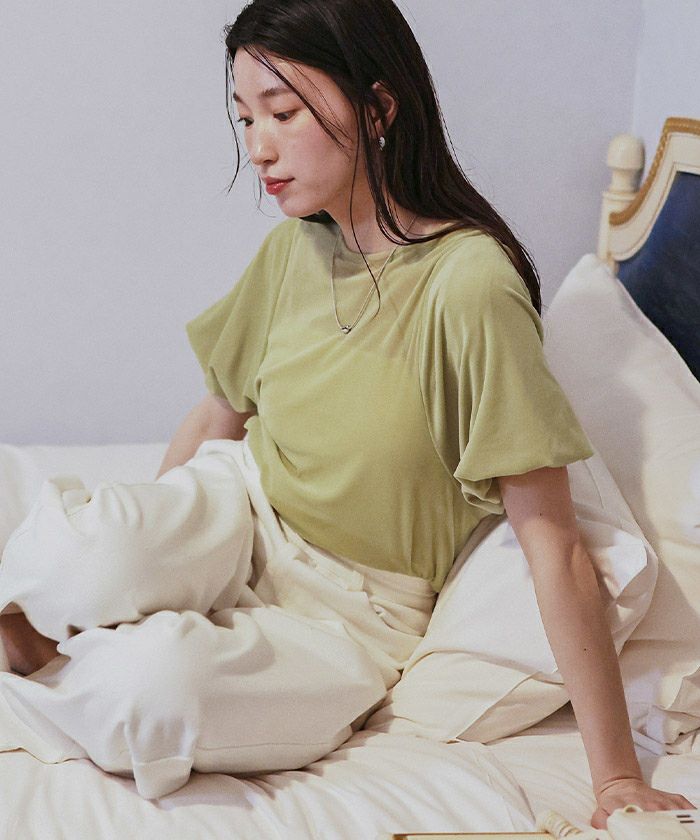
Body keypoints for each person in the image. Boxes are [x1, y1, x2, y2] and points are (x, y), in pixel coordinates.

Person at [0, 0, 693, 826]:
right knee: (79, 553)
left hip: (352, 617)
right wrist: (143, 567)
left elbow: (555, 541)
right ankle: (53, 625)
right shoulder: (294, 246)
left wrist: (615, 778)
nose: (258, 147)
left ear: (377, 108)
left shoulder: (469, 286)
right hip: (241, 506)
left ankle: (56, 660)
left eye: (283, 112)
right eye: (246, 117)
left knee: (150, 694)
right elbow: (219, 413)